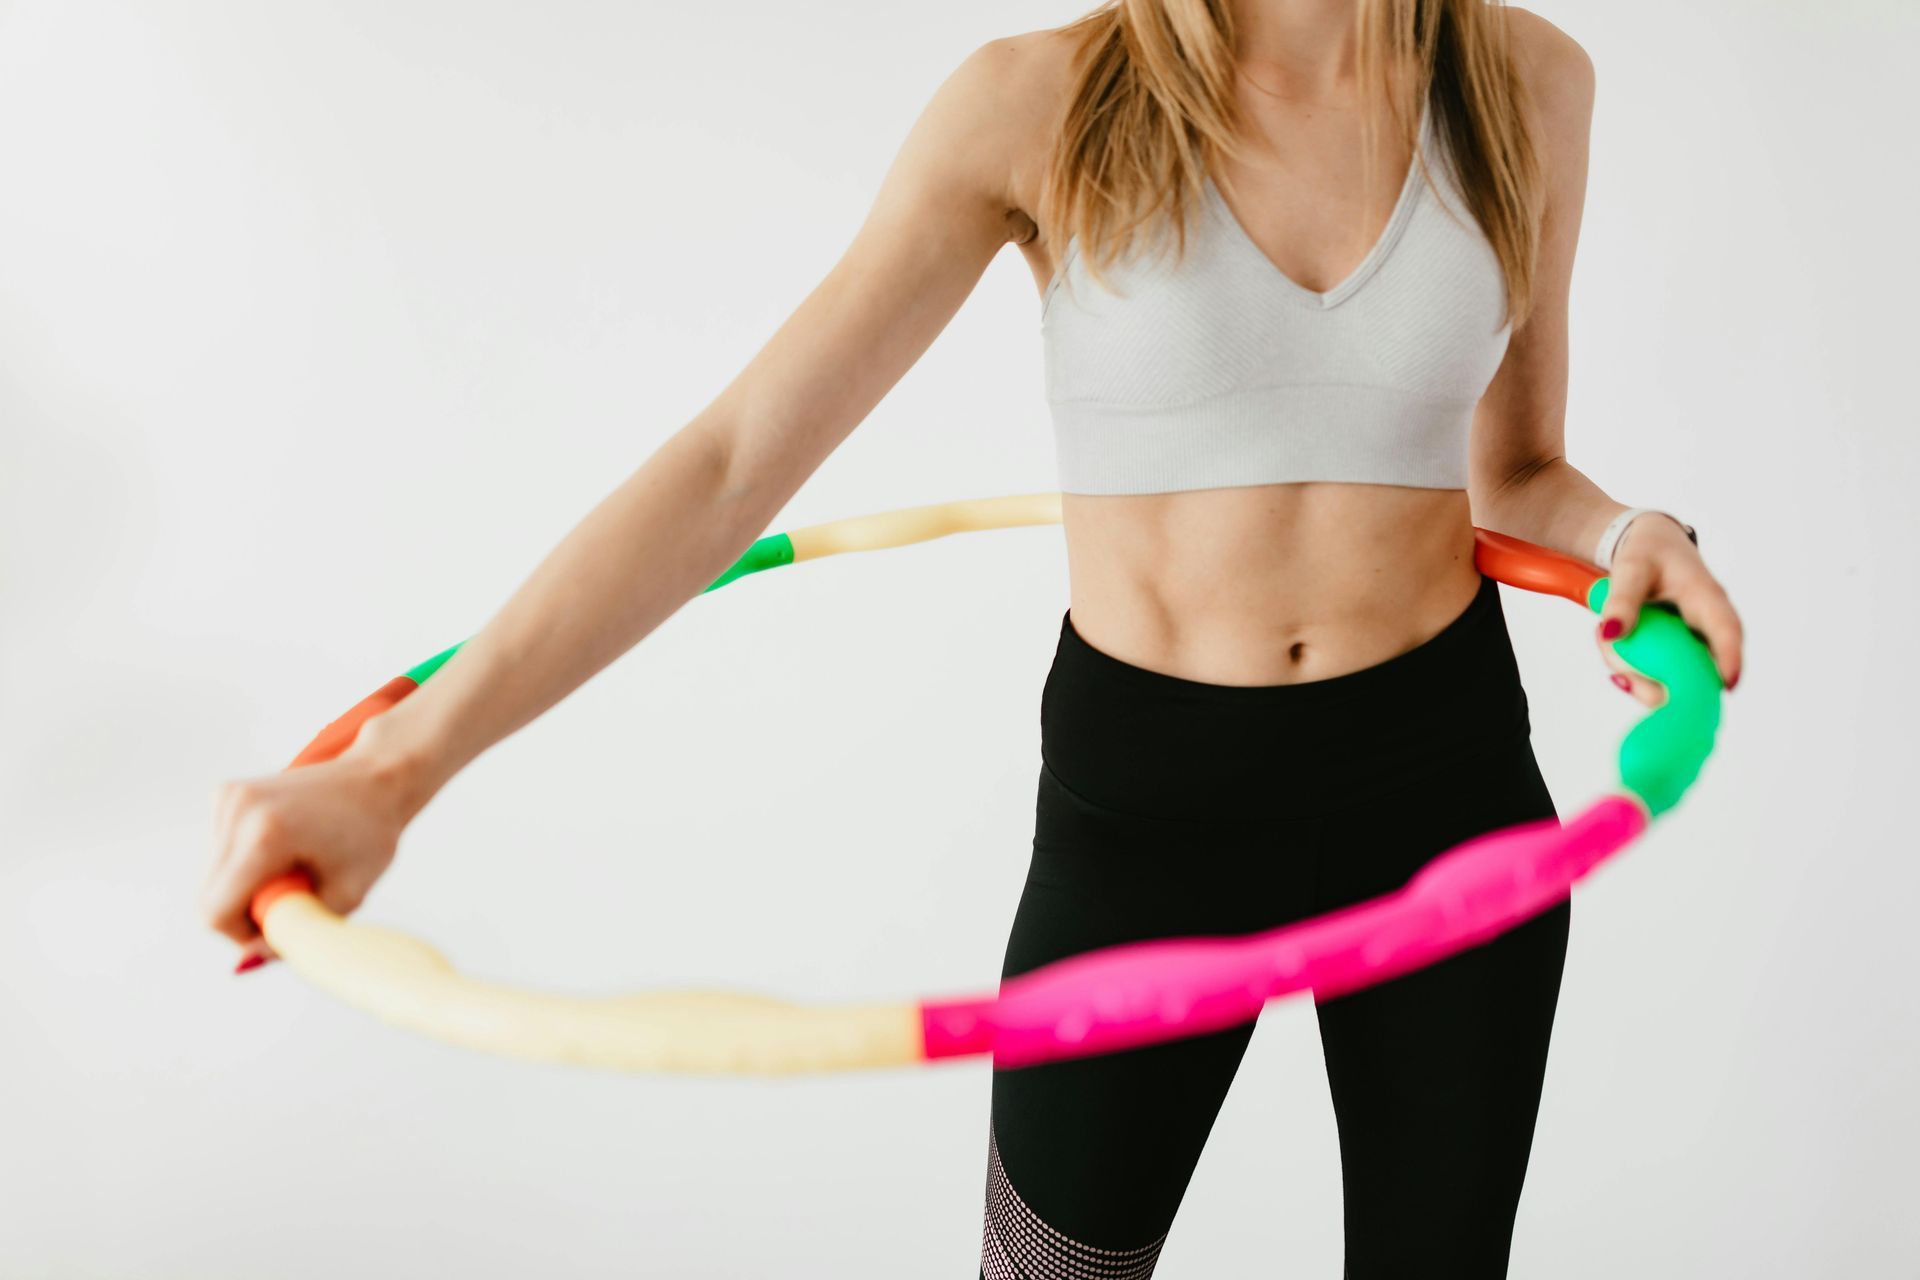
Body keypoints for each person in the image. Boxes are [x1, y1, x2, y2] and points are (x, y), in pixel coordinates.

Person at [201, 1, 1744, 1274]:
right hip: (1152, 813)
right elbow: (738, 462)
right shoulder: (1043, 101)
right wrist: (394, 772)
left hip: (1446, 786)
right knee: (1049, 1274)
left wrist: (1627, 536)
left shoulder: (1532, 81)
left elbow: (1518, 467)